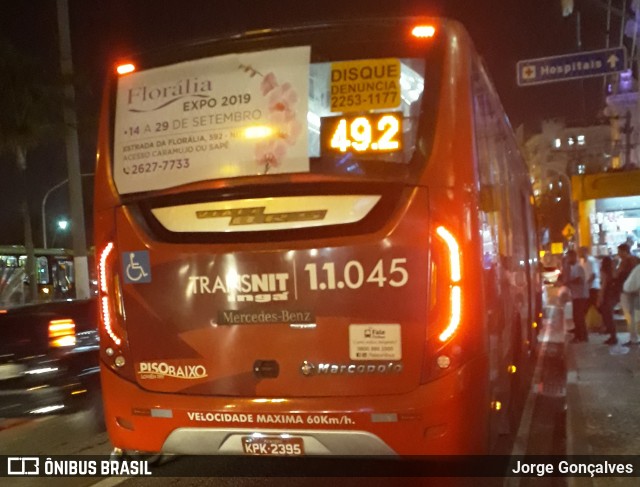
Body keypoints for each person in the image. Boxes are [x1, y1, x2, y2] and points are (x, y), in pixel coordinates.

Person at [614, 243, 640, 346]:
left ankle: (633, 338)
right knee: (635, 314)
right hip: (636, 290)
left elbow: (616, 275)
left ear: (625, 251)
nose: (618, 254)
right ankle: (634, 337)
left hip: (626, 290)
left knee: (630, 315)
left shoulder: (624, 262)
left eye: (620, 252)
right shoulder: (636, 259)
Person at [566, 249, 589, 343]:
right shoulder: (573, 267)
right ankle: (582, 336)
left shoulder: (578, 267)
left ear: (573, 257)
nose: (567, 259)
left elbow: (579, 280)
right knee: (577, 317)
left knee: (578, 317)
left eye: (568, 257)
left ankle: (580, 337)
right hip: (577, 295)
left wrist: (569, 282)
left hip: (580, 296)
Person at [597, 256, 618, 345]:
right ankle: (612, 335)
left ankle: (612, 337)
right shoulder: (612, 271)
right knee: (609, 316)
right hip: (612, 295)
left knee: (607, 316)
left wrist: (600, 297)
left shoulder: (604, 272)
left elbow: (603, 285)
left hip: (606, 295)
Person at [622, 261, 640, 346]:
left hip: (633, 294)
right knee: (632, 317)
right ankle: (634, 338)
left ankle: (634, 338)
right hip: (631, 293)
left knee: (634, 317)